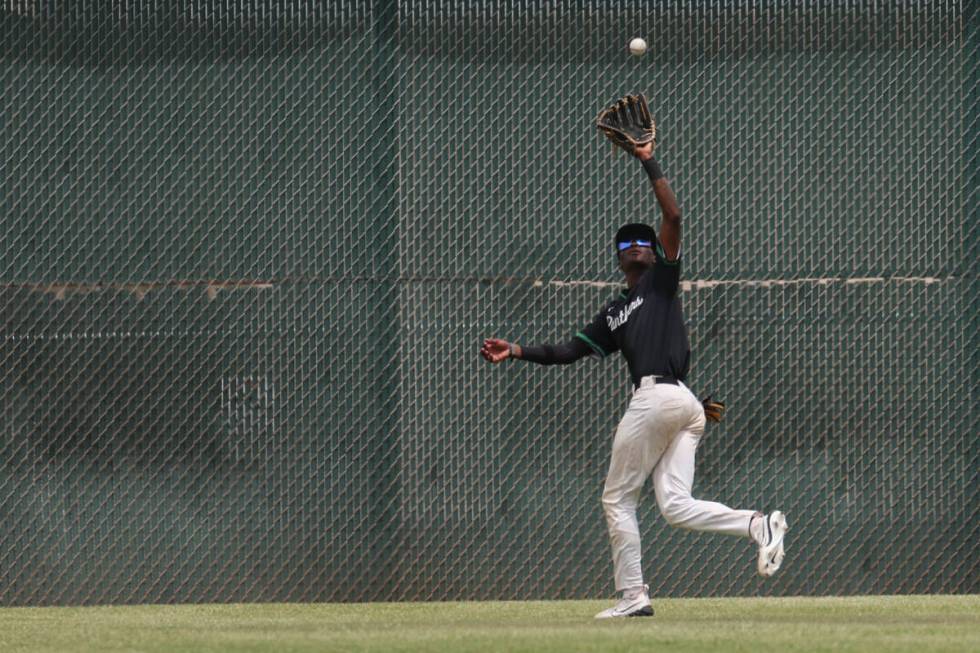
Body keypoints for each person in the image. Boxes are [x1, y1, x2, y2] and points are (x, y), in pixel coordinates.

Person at [480, 142, 788, 619]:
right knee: (674, 506)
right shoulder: (614, 312)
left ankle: (632, 596)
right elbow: (569, 351)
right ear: (620, 258)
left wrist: (647, 158)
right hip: (680, 407)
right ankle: (757, 525)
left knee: (617, 498)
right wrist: (517, 350)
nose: (640, 245)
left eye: (645, 240)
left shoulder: (661, 282)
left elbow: (675, 216)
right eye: (629, 243)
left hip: (668, 398)